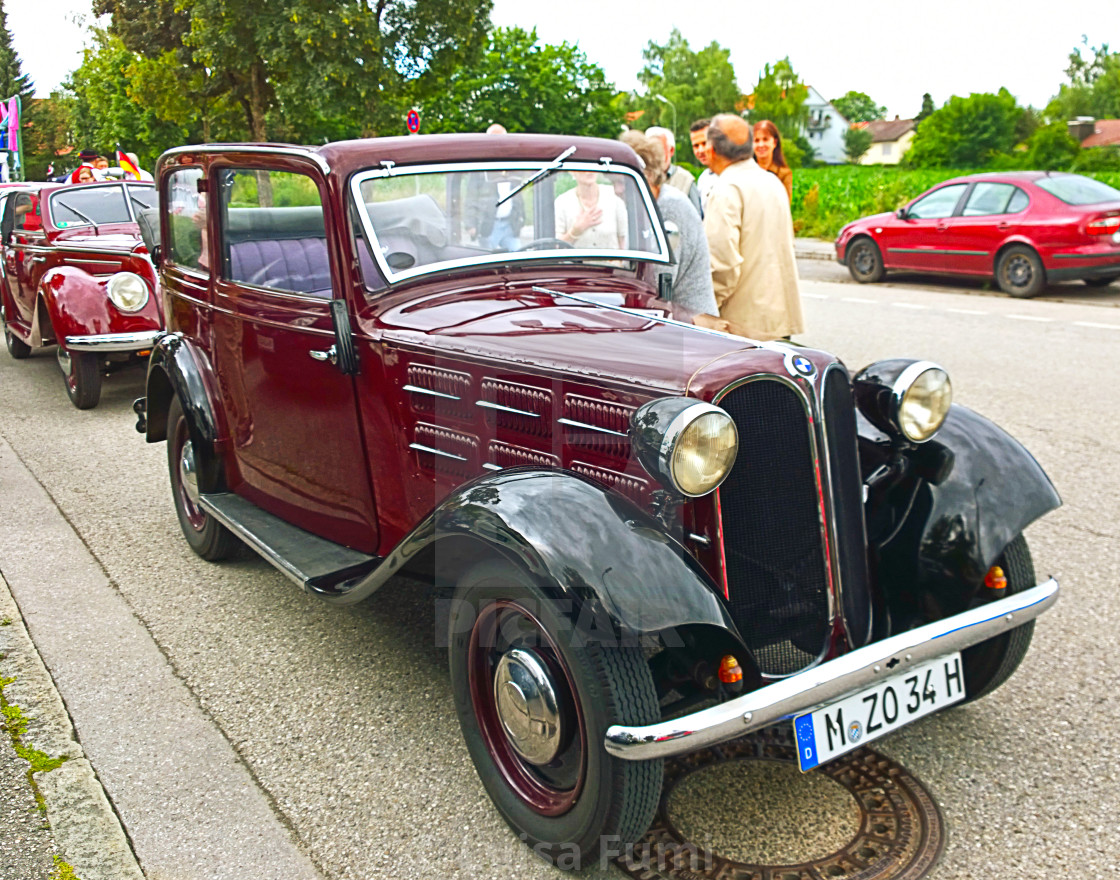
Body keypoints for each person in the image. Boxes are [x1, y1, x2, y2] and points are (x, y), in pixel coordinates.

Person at [703, 114, 804, 342]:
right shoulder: (772, 182)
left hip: (741, 324)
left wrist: (705, 309)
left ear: (712, 150)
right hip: (778, 318)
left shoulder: (726, 189)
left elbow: (722, 264)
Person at [620, 130, 727, 333]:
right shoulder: (649, 205)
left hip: (691, 323)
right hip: (674, 317)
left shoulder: (669, 207)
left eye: (622, 183)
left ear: (647, 176)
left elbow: (661, 278)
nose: (618, 190)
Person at [464, 124, 525, 250]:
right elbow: (471, 196)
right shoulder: (480, 167)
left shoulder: (513, 164)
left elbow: (519, 194)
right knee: (489, 261)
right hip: (489, 224)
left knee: (519, 258)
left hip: (510, 224)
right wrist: (471, 224)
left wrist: (521, 219)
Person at [554, 170, 627, 249]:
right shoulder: (562, 203)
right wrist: (576, 231)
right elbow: (556, 247)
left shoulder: (614, 198)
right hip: (576, 261)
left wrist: (619, 261)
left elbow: (624, 242)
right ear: (572, 172)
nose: (589, 171)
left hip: (609, 261)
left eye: (592, 166)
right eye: (582, 167)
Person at [645, 126, 702, 217]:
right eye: (650, 150)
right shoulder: (640, 177)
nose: (654, 155)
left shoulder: (686, 180)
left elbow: (696, 220)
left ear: (671, 151)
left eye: (659, 149)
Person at [752, 120, 793, 203]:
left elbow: (785, 206)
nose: (761, 145)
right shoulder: (745, 172)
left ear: (774, 142)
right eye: (756, 140)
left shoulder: (783, 174)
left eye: (765, 139)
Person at [688, 119, 718, 207]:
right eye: (696, 146)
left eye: (704, 143)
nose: (700, 150)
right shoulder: (703, 179)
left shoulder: (734, 175)